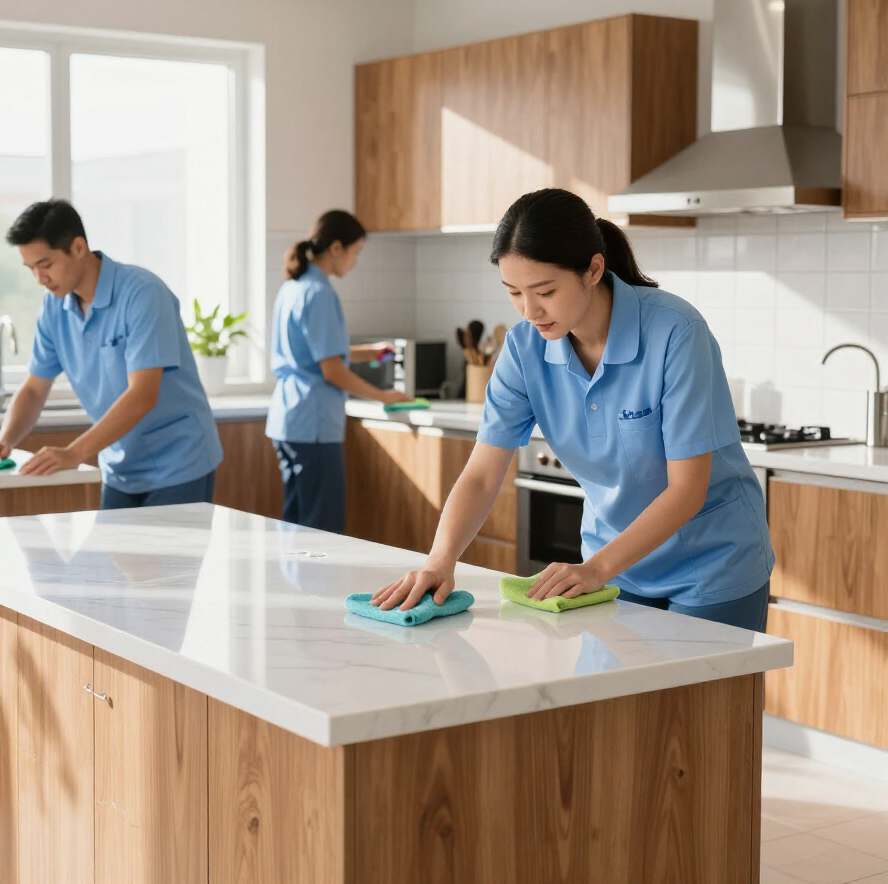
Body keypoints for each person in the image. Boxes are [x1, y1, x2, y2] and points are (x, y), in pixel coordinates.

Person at [372, 189, 774, 632]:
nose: (530, 310)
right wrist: (441, 559)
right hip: (613, 565)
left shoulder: (676, 333)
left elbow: (686, 490)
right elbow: (483, 474)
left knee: (698, 704)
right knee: (614, 702)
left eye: (544, 291)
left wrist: (596, 570)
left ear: (593, 270)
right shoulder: (524, 349)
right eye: (514, 293)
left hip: (709, 568)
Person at [0, 199, 224, 510]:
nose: (39, 279)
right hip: (119, 468)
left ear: (78, 247)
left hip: (178, 464)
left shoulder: (143, 293)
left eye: (46, 265)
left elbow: (143, 394)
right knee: (111, 559)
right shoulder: (55, 306)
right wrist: (5, 440)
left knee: (165, 560)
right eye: (31, 268)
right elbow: (35, 390)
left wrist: (74, 453)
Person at [266, 210, 412, 533]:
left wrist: (367, 352)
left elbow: (310, 355)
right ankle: (317, 585)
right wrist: (383, 396)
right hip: (314, 424)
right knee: (322, 528)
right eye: (355, 252)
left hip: (288, 419)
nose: (355, 262)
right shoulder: (320, 294)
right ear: (335, 248)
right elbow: (331, 371)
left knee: (297, 522)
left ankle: (294, 585)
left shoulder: (293, 287)